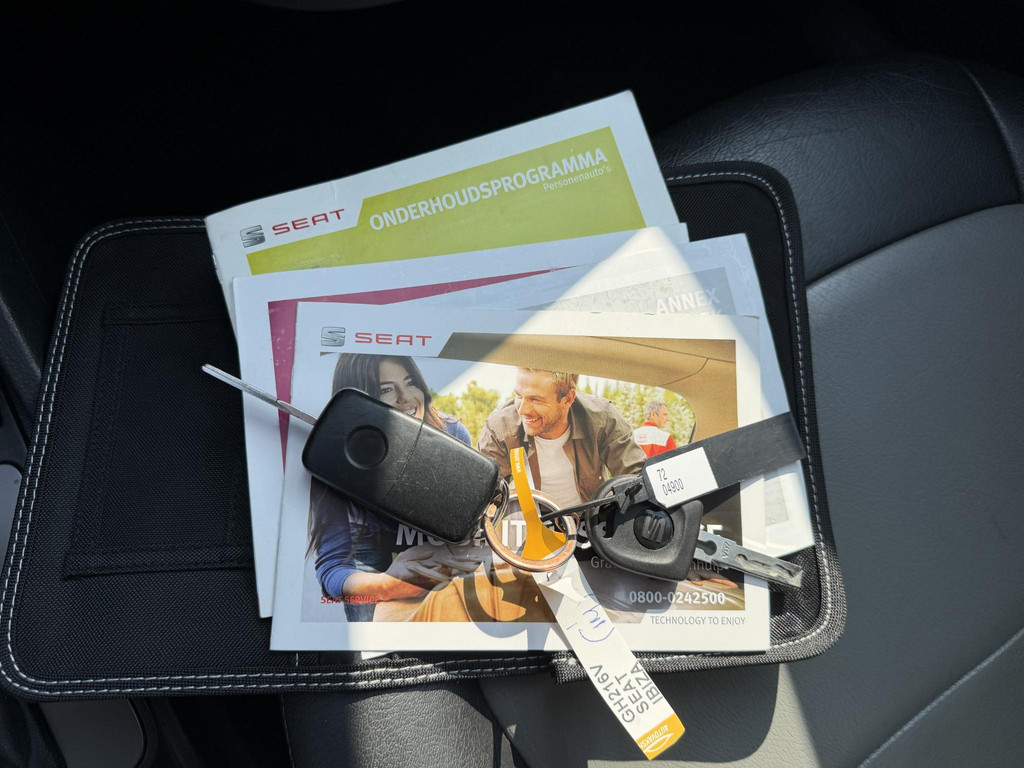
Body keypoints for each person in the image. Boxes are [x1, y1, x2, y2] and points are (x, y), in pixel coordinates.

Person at [307, 354, 471, 621]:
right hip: (369, 534)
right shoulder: (330, 460)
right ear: (355, 403)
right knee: (370, 623)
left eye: (410, 382)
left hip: (434, 535)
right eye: (385, 389)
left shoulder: (452, 435)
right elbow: (333, 570)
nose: (406, 397)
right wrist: (389, 585)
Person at [477, 368, 645, 508]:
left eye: (535, 399)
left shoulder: (603, 418)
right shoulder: (500, 427)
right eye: (519, 396)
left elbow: (637, 480)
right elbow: (481, 494)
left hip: (594, 523)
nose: (522, 410)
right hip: (534, 527)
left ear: (568, 399)